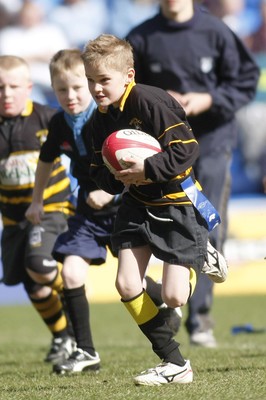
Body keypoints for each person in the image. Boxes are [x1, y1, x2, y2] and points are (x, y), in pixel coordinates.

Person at [81, 33, 227, 385]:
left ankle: (201, 254)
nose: (97, 89)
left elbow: (186, 150)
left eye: (104, 80)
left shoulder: (149, 101)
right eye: (91, 81)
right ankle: (175, 363)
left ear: (128, 76)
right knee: (127, 283)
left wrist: (146, 169)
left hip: (177, 202)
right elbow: (101, 172)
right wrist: (116, 179)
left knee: (175, 295)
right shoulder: (97, 122)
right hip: (136, 204)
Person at [25, 48, 178, 375]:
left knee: (130, 280)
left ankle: (163, 304)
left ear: (92, 85)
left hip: (123, 206)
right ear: (53, 90)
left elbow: (135, 160)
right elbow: (45, 160)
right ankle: (85, 351)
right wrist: (36, 201)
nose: (71, 96)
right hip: (87, 213)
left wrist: (110, 194)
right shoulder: (59, 123)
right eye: (61, 90)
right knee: (70, 273)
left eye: (78, 87)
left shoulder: (108, 117)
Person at [126, 0, 260, 347]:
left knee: (207, 219)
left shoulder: (215, 31)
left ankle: (199, 319)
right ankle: (171, 296)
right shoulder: (141, 37)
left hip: (211, 141)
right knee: (154, 219)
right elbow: (123, 92)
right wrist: (157, 101)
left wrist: (207, 99)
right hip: (161, 152)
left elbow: (245, 80)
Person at [0, 55, 75, 364]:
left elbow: (84, 149)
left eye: (13, 86)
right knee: (34, 286)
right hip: (13, 219)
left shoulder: (48, 118)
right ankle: (63, 338)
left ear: (28, 88)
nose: (6, 93)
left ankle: (75, 291)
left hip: (52, 209)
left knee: (39, 264)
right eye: (0, 87)